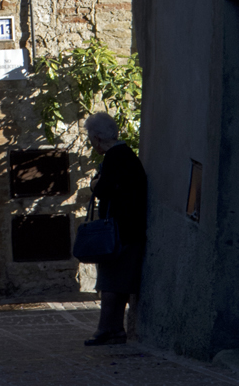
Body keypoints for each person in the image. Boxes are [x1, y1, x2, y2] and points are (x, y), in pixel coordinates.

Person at [83, 110, 146, 347]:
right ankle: (115, 329)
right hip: (130, 228)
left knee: (110, 282)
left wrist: (95, 183)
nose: (92, 145)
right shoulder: (127, 155)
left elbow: (104, 189)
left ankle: (106, 329)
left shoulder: (115, 157)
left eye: (92, 140)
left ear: (98, 138)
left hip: (119, 230)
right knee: (118, 282)